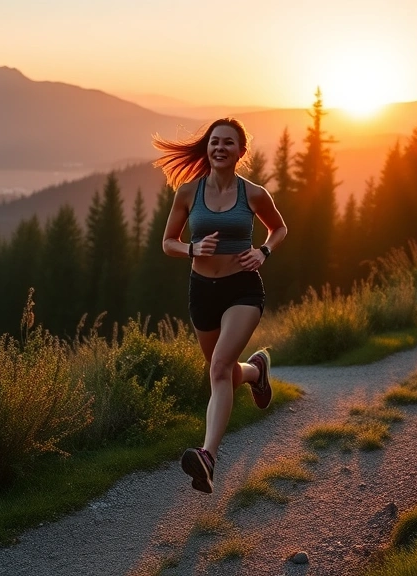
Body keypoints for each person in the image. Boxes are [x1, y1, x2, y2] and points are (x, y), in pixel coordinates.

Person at [153, 117, 287, 494]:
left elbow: (279, 228)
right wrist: (192, 248)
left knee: (218, 369)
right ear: (207, 147)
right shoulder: (188, 193)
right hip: (202, 291)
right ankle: (256, 372)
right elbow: (168, 242)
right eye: (214, 142)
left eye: (228, 143)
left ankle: (208, 456)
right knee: (225, 373)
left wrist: (263, 251)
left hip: (243, 289)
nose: (220, 147)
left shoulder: (254, 194)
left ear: (241, 152)